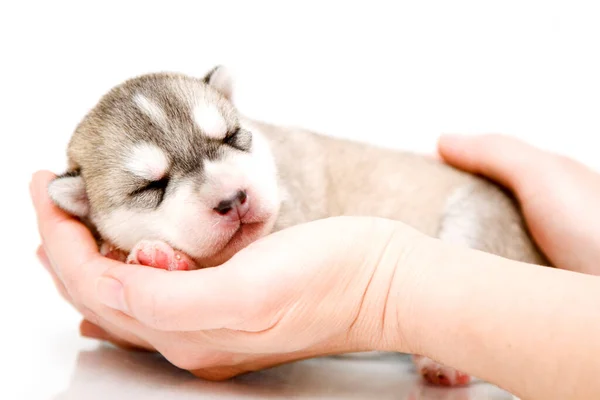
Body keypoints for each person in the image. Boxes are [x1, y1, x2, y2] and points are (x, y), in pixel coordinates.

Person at [31, 134, 600, 400]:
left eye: (230, 138)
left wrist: (386, 292)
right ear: (86, 207)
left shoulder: (274, 165)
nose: (228, 191)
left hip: (467, 214)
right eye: (153, 186)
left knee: (474, 214)